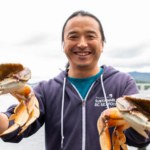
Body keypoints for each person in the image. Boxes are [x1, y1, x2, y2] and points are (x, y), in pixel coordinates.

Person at [0, 10, 150, 150]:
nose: (82, 43)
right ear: (63, 45)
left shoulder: (122, 83)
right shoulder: (46, 90)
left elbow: (140, 139)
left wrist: (136, 118)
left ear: (102, 44)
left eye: (90, 36)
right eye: (73, 37)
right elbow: (13, 127)